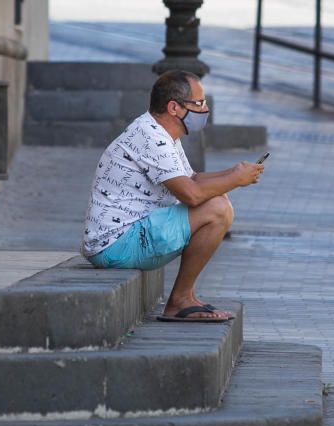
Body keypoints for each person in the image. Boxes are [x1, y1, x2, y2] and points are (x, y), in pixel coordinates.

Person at [80, 70, 264, 322]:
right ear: (174, 108)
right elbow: (192, 195)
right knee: (218, 209)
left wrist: (234, 172)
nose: (205, 109)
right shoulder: (151, 137)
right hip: (115, 244)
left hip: (124, 236)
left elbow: (192, 179)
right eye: (199, 103)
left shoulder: (158, 133)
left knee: (219, 202)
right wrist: (234, 181)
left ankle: (186, 296)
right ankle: (179, 300)